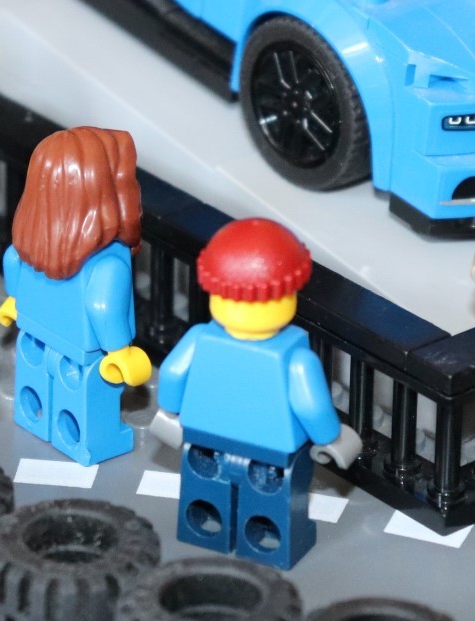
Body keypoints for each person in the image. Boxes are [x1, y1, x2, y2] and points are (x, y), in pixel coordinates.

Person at [151, 219, 361, 570]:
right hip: (271, 454)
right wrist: (331, 438)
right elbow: (311, 407)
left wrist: (170, 412)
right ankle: (264, 546)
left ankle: (206, 530)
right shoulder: (295, 358)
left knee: (207, 492)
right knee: (268, 506)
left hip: (204, 442)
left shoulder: (200, 338)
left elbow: (172, 375)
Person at [0, 127, 151, 465]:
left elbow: (12, 261)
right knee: (84, 403)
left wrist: (15, 300)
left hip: (34, 331)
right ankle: (82, 442)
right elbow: (102, 306)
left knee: (37, 383)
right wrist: (120, 351)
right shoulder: (107, 259)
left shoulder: (32, 237)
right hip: (84, 351)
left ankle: (33, 417)